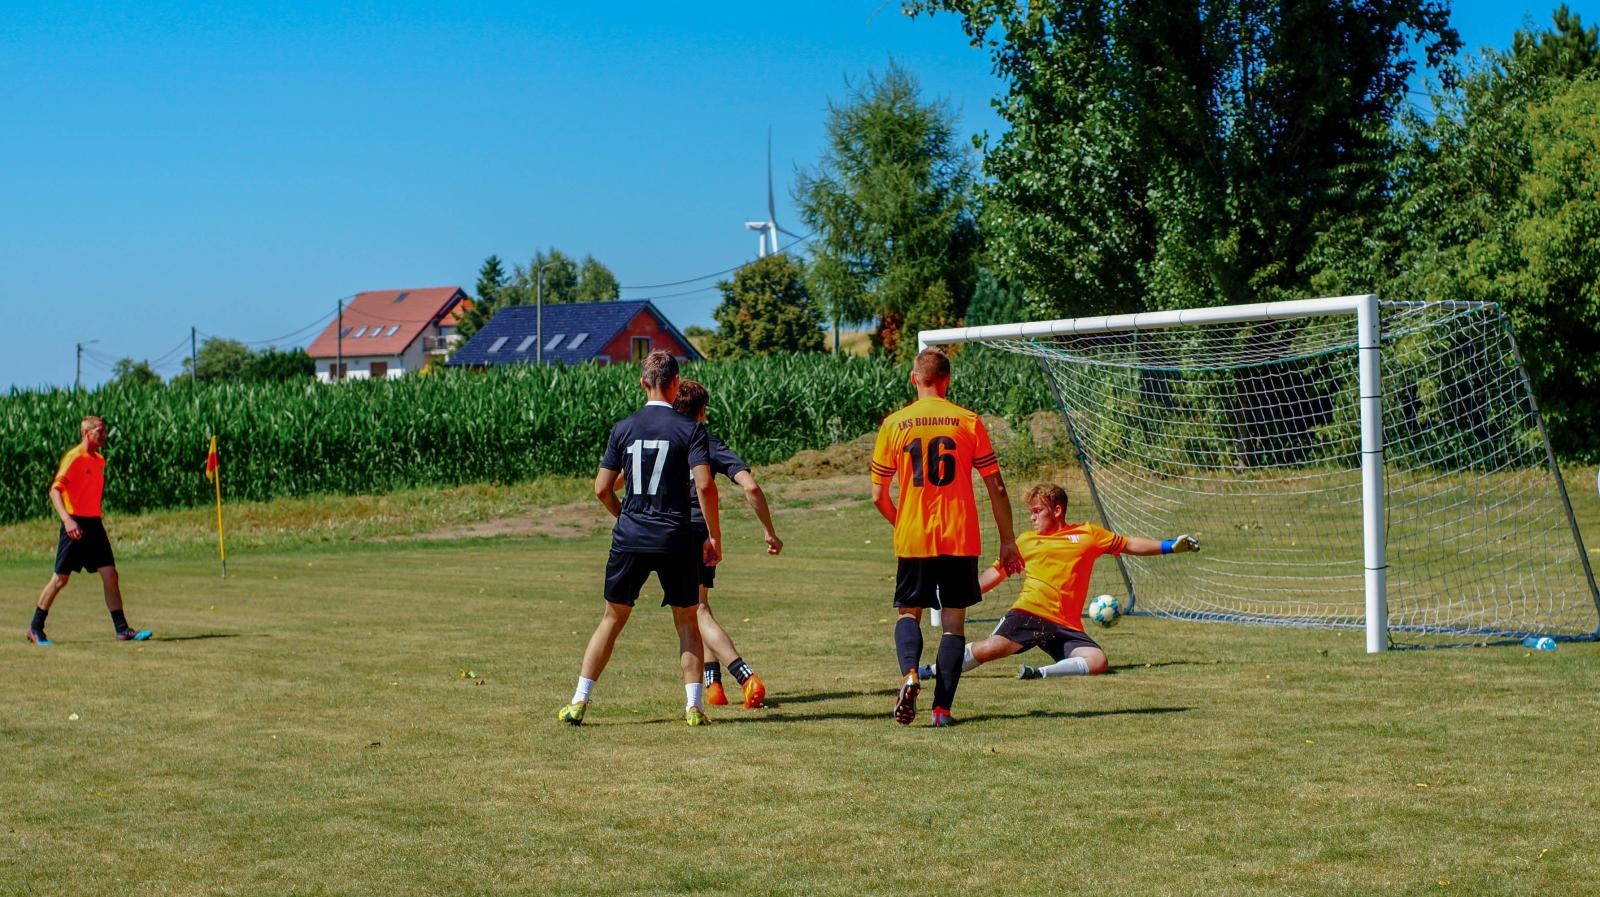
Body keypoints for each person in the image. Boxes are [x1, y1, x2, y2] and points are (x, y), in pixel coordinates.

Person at [559, 351, 723, 727]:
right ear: (676, 383)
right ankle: (693, 707)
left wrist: (628, 517)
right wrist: (713, 536)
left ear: (642, 383)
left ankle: (579, 701)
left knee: (612, 619)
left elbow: (602, 488)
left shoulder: (624, 428)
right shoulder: (691, 429)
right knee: (686, 622)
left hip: (630, 536)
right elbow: (704, 484)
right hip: (676, 538)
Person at [870, 347, 1023, 727]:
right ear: (948, 380)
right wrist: (1007, 540)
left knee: (910, 612)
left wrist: (903, 523)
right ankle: (941, 711)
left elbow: (877, 494)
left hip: (915, 538)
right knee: (954, 624)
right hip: (959, 537)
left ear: (913, 379)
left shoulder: (894, 424)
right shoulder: (968, 421)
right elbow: (997, 487)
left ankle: (909, 674)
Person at [924, 483, 1198, 682]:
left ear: (1057, 510)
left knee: (1098, 661)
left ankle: (1039, 673)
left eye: (1037, 511)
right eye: (1030, 512)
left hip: (1066, 625)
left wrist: (1170, 546)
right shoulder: (1025, 542)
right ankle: (933, 671)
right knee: (989, 649)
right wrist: (954, 592)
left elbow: (1128, 544)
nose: (1031, 517)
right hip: (1030, 613)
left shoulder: (1088, 534)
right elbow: (994, 576)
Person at [671, 380, 782, 710]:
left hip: (672, 532)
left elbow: (616, 478)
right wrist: (769, 531)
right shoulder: (707, 440)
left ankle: (746, 677)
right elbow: (751, 486)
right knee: (698, 608)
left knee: (697, 611)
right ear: (703, 412)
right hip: (699, 531)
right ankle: (713, 684)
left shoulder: (659, 439)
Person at [26, 415, 152, 646]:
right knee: (60, 579)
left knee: (110, 575)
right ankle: (35, 628)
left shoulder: (100, 460)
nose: (104, 435)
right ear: (86, 432)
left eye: (105, 431)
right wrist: (67, 520)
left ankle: (122, 630)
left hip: (94, 524)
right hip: (74, 524)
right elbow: (55, 491)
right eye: (100, 431)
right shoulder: (74, 457)